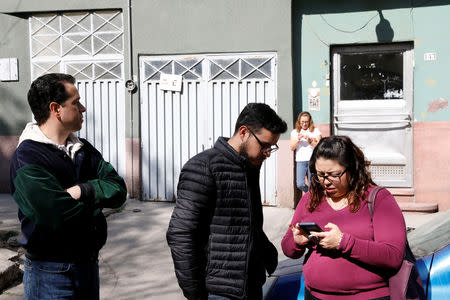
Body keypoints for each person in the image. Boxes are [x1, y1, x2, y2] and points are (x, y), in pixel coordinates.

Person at [10, 73, 127, 300]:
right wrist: (96, 204)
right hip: (50, 274)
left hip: (88, 267)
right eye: (76, 103)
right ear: (56, 109)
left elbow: (119, 190)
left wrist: (84, 190)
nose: (83, 109)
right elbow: (53, 214)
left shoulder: (83, 149)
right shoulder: (28, 156)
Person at [166, 103, 287, 300]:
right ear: (243, 132)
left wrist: (265, 251)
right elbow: (181, 235)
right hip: (219, 291)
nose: (267, 153)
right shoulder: (202, 167)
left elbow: (243, 221)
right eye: (264, 145)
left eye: (271, 148)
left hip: (251, 285)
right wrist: (195, 294)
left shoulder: (249, 166)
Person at [281, 136, 406, 299]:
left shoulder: (378, 198)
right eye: (320, 175)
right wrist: (296, 242)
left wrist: (343, 242)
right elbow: (288, 249)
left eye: (333, 174)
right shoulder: (310, 199)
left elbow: (393, 256)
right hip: (315, 295)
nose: (325, 182)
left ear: (352, 168)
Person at [290, 112, 321, 193]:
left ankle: (313, 200)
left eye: (306, 122)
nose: (304, 124)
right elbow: (292, 147)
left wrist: (310, 140)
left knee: (312, 184)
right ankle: (310, 194)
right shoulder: (295, 132)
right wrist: (298, 139)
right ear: (299, 122)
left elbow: (319, 145)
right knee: (300, 184)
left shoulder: (315, 131)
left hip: (312, 160)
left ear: (309, 121)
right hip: (300, 160)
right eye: (302, 122)